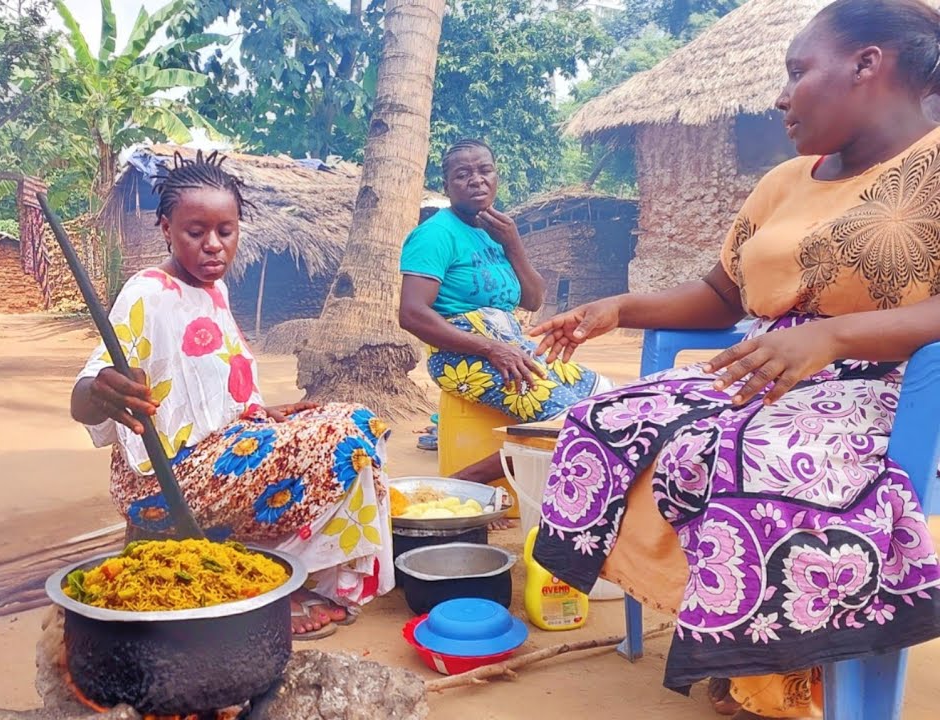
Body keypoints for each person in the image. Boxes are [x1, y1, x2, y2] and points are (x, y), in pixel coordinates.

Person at [529, 1, 940, 717]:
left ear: (868, 65)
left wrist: (836, 336)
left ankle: (769, 675)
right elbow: (724, 294)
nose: (781, 96)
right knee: (600, 418)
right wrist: (622, 308)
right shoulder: (783, 182)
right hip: (764, 369)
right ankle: (727, 636)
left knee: (745, 463)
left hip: (886, 389)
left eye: (797, 72)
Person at [70, 151, 394, 640]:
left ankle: (308, 574)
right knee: (345, 435)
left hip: (224, 450)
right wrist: (99, 391)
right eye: (195, 232)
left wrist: (262, 414)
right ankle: (283, 585)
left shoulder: (215, 292)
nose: (213, 246)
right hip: (168, 477)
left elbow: (209, 387)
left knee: (362, 424)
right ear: (165, 228)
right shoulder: (148, 293)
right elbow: (85, 394)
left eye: (226, 231)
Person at [398, 139, 610, 485]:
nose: (477, 180)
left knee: (605, 402)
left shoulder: (495, 231)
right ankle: (466, 483)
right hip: (462, 356)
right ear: (446, 185)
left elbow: (533, 300)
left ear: (496, 175)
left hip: (511, 348)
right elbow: (411, 314)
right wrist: (490, 348)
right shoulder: (435, 235)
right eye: (463, 174)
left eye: (485, 170)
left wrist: (513, 243)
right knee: (571, 421)